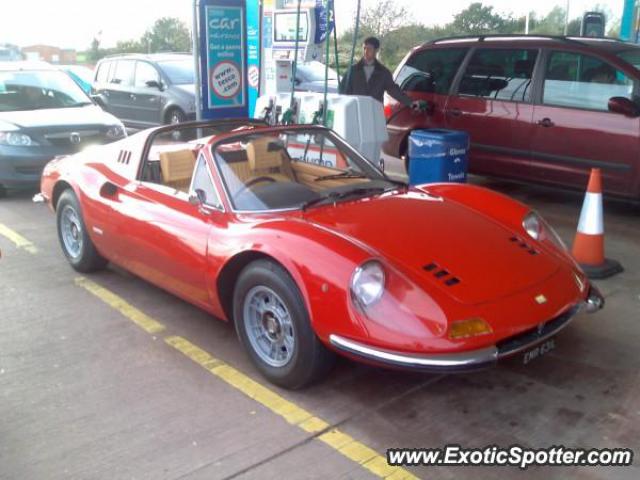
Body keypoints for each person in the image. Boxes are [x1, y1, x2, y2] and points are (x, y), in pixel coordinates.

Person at [339, 36, 422, 111]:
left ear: (376, 50)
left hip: (374, 113)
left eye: (369, 49)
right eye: (364, 48)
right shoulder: (353, 70)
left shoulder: (383, 72)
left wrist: (410, 103)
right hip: (355, 112)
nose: (366, 51)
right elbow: (343, 91)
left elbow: (393, 90)